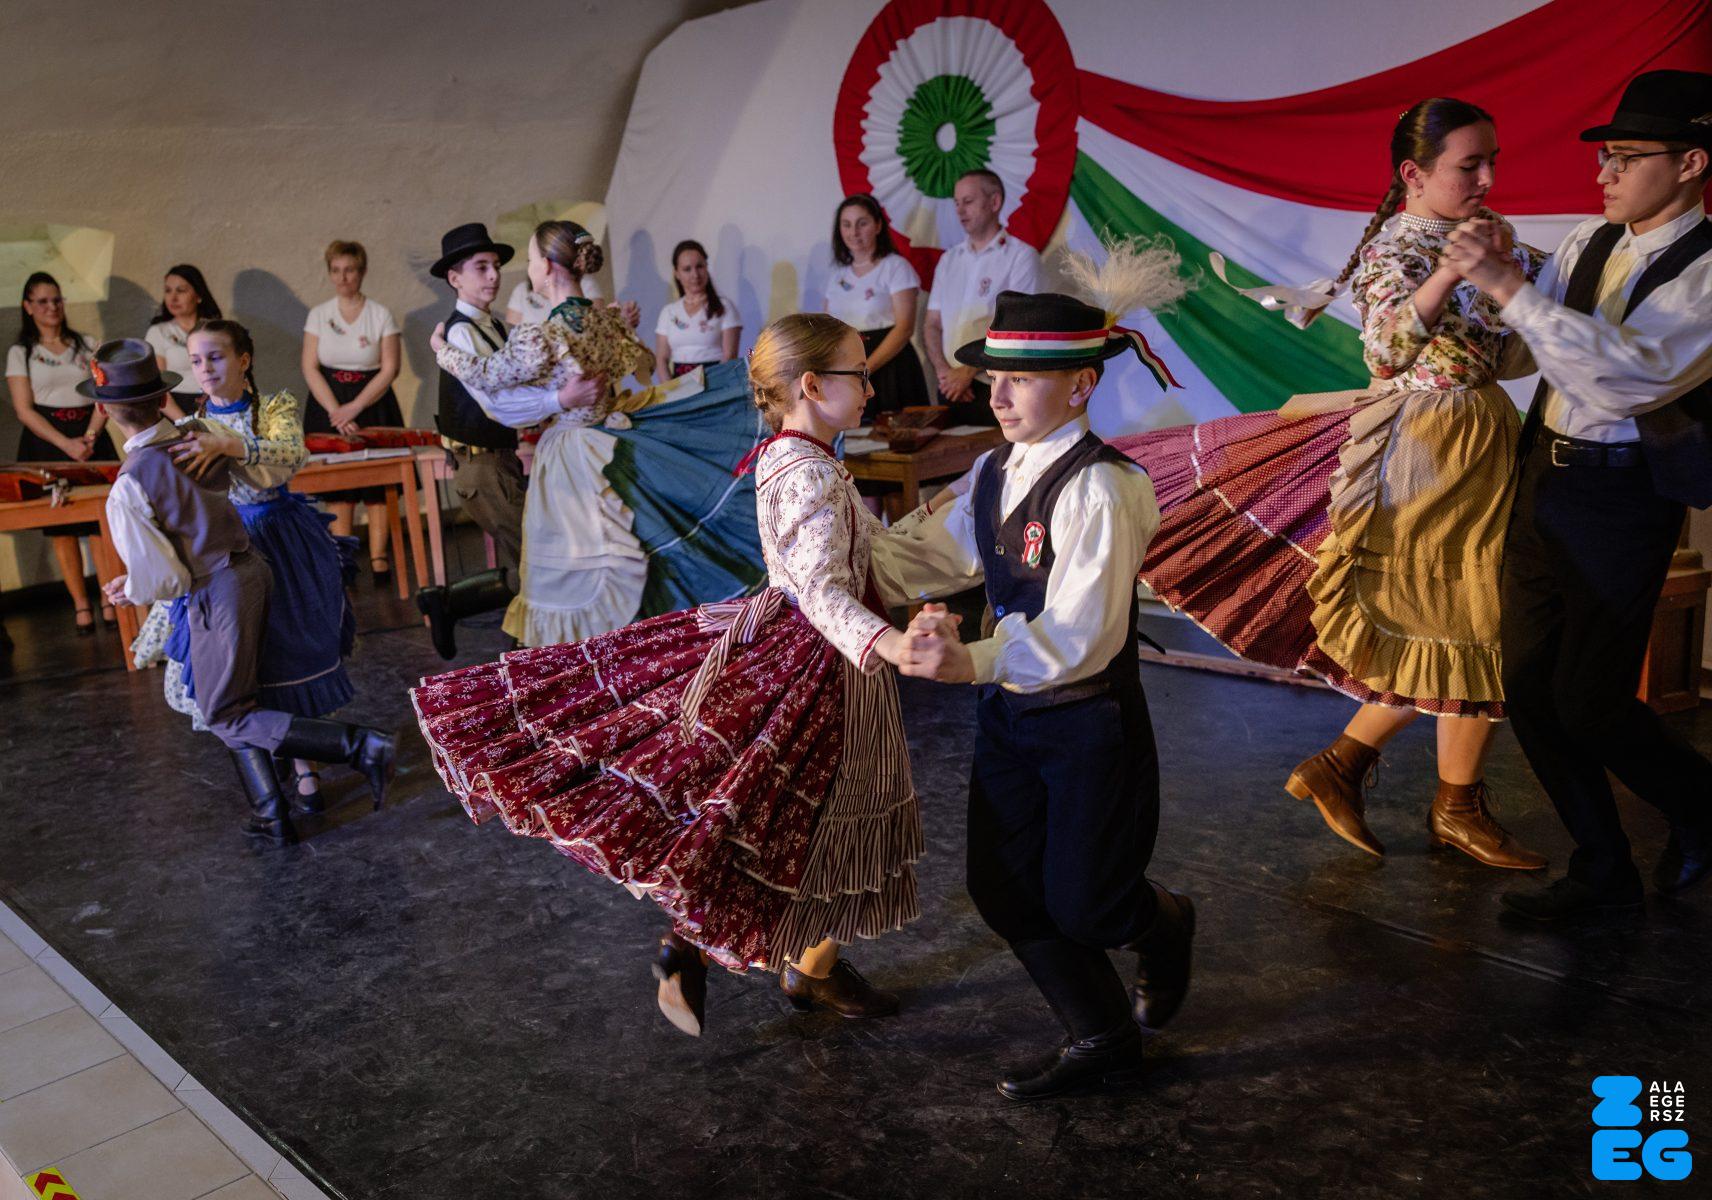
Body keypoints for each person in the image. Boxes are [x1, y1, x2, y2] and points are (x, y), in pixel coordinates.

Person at [411, 312, 923, 1037]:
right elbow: (820, 591)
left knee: (798, 810)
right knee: (806, 811)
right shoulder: (808, 469)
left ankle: (786, 960)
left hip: (806, 648)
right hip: (817, 659)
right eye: (860, 375)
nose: (871, 388)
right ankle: (719, 948)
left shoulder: (799, 454)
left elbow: (864, 550)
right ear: (812, 385)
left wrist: (941, 532)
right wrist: (892, 645)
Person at [1114, 98, 1549, 873]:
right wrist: (1457, 271)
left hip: (1482, 438)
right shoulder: (1396, 253)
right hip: (1428, 453)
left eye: (1492, 162)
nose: (1486, 178)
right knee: (1468, 621)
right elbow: (1385, 350)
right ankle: (1440, 801)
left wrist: (1517, 282)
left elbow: (1508, 351)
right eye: (1469, 165)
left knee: (1467, 625)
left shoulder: (1487, 235)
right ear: (1414, 174)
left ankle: (1361, 771)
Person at [875, 265, 1195, 1102]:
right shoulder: (993, 470)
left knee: (1091, 907)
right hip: (1008, 714)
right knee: (1004, 888)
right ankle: (1102, 1036)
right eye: (993, 377)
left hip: (1089, 722)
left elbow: (1083, 639)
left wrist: (972, 659)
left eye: (1020, 379)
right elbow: (925, 555)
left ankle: (1164, 923)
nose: (998, 394)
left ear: (1081, 385)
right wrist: (828, 542)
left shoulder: (1106, 487)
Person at [1443, 69, 1712, 921]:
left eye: (1628, 157)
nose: (1605, 173)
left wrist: (1510, 290)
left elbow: (1628, 380)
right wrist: (1465, 299)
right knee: (1526, 686)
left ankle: (1703, 808)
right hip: (1543, 477)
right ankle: (1602, 867)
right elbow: (1531, 353)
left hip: (1622, 497)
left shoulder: (1708, 272)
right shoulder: (1587, 241)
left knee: (1590, 701)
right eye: (1606, 156)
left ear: (1692, 163)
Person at [90, 339, 394, 845]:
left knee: (224, 713)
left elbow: (166, 578)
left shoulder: (129, 485)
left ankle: (359, 747)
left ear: (103, 410)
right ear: (162, 397)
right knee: (243, 695)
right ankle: (272, 809)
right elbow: (188, 525)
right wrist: (144, 574)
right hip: (251, 566)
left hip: (216, 589)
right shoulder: (198, 434)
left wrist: (133, 588)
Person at [426, 220, 763, 650]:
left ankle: (575, 657)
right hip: (605, 439)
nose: (516, 271)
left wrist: (442, 352)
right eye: (483, 267)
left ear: (548, 267)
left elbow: (490, 376)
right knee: (589, 556)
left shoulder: (542, 333)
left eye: (529, 260)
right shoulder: (603, 321)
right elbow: (638, 364)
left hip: (573, 452)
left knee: (565, 567)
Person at [132, 319, 358, 812]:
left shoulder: (274, 406)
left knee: (285, 654)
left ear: (243, 360)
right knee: (235, 663)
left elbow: (291, 453)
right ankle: (268, 779)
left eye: (215, 357)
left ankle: (307, 769)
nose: (205, 368)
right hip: (224, 552)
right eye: (196, 360)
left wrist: (229, 444)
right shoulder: (189, 426)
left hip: (279, 540)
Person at [414, 222, 528, 651]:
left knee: (528, 558)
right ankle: (522, 657)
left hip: (498, 459)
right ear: (455, 278)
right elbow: (495, 399)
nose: (494, 275)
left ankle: (449, 604)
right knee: (535, 561)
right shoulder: (460, 332)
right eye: (481, 267)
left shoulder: (493, 326)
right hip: (480, 465)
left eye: (495, 265)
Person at [7, 272, 111, 633]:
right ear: (28, 306)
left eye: (56, 299)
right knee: (62, 524)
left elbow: (104, 392)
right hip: (48, 439)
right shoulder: (22, 352)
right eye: (42, 301)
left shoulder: (87, 344)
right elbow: (24, 409)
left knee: (100, 521)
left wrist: (90, 436)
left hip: (91, 433)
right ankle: (81, 605)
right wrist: (66, 445)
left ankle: (109, 600)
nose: (51, 307)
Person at [300, 239, 404, 581]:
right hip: (328, 402)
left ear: (362, 272)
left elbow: (390, 368)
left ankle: (379, 559)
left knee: (378, 485)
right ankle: (343, 559)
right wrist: (336, 411)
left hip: (372, 403)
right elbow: (309, 366)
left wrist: (356, 406)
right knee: (338, 485)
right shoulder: (319, 315)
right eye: (336, 270)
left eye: (350, 270)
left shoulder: (380, 314)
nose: (343, 277)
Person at [922, 170, 1042, 426]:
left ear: (994, 202)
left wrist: (967, 371)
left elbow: (1018, 328)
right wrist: (945, 373)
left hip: (995, 387)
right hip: (949, 386)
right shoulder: (949, 259)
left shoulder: (1020, 256)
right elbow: (932, 324)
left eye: (968, 201)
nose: (960, 210)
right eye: (957, 203)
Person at [821, 195, 927, 420]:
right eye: (846, 224)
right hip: (848, 368)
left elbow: (905, 328)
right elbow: (827, 329)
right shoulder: (837, 275)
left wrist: (865, 369)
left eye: (862, 223)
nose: (854, 232)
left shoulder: (895, 267)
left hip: (890, 364)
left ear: (878, 225)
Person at [654, 239, 741, 380]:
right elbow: (661, 359)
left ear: (706, 267)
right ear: (677, 273)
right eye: (687, 269)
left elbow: (729, 356)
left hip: (717, 380)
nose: (695, 275)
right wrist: (670, 389)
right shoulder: (668, 312)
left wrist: (711, 385)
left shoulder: (724, 307)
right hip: (679, 384)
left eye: (699, 266)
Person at [143, 264, 221, 421]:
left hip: (216, 403)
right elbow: (157, 387)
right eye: (168, 291)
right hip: (175, 408)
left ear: (198, 295)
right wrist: (185, 422)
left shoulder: (217, 330)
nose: (173, 298)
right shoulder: (158, 332)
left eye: (181, 290)